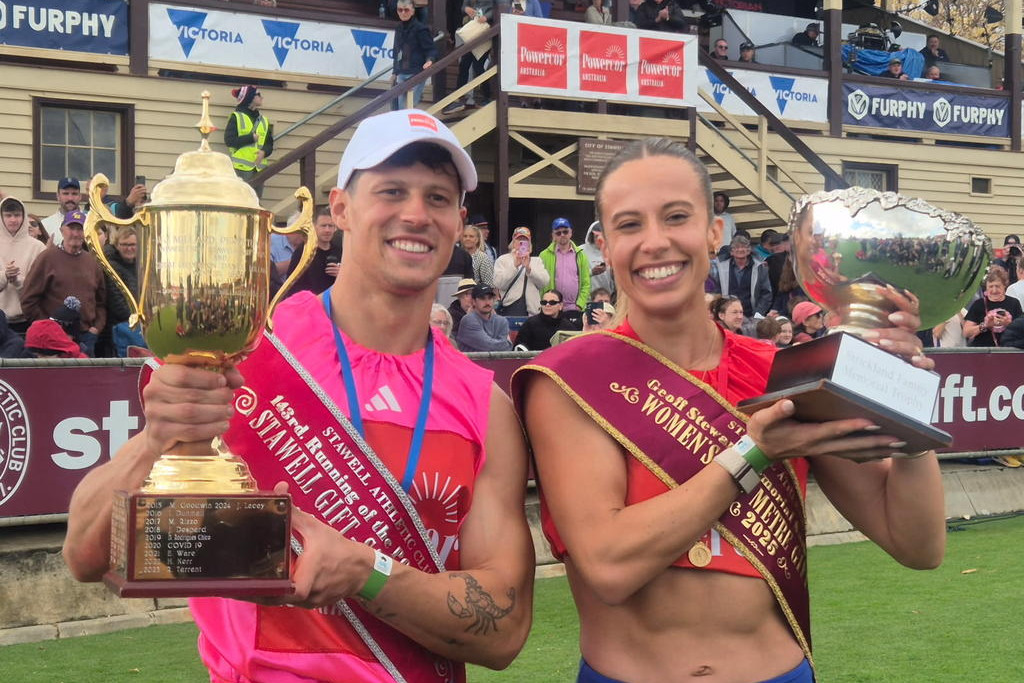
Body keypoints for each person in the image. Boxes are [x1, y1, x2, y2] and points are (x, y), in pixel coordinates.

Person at [62, 108, 534, 682]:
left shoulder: (483, 405)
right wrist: (157, 438)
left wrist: (368, 572)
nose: (415, 214)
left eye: (438, 198)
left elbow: (505, 631)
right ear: (340, 209)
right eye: (391, 190)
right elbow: (86, 556)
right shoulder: (247, 351)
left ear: (459, 222)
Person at [514, 137, 944, 683]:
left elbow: (917, 544)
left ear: (716, 232)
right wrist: (755, 452)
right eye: (628, 225)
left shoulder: (783, 371)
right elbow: (609, 566)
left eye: (676, 217)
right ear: (605, 244)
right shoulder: (574, 378)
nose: (655, 241)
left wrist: (903, 407)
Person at [20, 210, 107, 357]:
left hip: (86, 337)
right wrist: (46, 327)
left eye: (80, 229)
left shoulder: (92, 261)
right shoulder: (47, 258)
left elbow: (101, 301)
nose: (75, 233)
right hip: (54, 340)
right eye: (71, 228)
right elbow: (28, 299)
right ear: (62, 230)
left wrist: (96, 327)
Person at [0, 196, 47, 335]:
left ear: (24, 216)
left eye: (17, 215)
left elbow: (41, 285)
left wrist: (17, 280)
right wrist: (5, 276)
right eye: (8, 215)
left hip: (27, 320)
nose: (13, 220)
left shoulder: (38, 247)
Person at [441, 0, 493, 115]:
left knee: (478, 66)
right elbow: (463, 6)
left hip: (486, 30)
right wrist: (466, 9)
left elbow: (501, 7)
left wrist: (487, 17)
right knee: (464, 64)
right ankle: (459, 97)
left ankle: (487, 97)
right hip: (471, 30)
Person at [709, 235, 773, 331]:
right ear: (731, 251)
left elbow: (766, 293)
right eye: (736, 247)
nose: (740, 249)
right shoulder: (721, 267)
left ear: (749, 250)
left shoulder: (760, 267)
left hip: (752, 316)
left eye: (744, 246)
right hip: (726, 317)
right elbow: (716, 290)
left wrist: (757, 314)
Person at [102, 227, 147, 357]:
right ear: (117, 245)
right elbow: (117, 304)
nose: (129, 248)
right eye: (124, 244)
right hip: (119, 329)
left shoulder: (140, 265)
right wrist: (140, 318)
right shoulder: (110, 266)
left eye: (132, 244)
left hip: (139, 326)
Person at [224, 85, 274, 195]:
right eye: (258, 94)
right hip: (241, 169)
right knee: (241, 200)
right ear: (250, 97)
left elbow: (269, 144)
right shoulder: (236, 117)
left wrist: (264, 152)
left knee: (256, 203)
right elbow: (229, 140)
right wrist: (250, 138)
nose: (262, 97)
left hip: (259, 169)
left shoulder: (264, 120)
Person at [286, 206, 343, 296]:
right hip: (310, 304)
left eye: (331, 226)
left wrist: (342, 274)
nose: (327, 230)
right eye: (323, 226)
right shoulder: (303, 252)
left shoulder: (340, 251)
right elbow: (292, 286)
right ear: (314, 227)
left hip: (334, 304)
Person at [493, 227, 549, 316]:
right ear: (513, 241)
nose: (521, 243)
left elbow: (544, 283)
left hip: (533, 311)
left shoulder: (536, 261)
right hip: (510, 308)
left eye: (525, 240)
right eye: (519, 239)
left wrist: (529, 269)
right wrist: (514, 266)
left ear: (529, 243)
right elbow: (499, 283)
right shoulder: (502, 260)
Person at [392, 0, 438, 109]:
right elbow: (396, 51)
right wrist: (395, 71)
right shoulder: (398, 28)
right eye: (400, 10)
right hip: (402, 73)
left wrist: (430, 60)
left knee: (408, 107)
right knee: (399, 108)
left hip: (416, 73)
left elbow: (431, 49)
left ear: (412, 11)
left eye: (406, 10)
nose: (403, 13)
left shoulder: (421, 29)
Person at [541, 218, 590, 313]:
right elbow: (540, 283)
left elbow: (586, 283)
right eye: (558, 233)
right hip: (552, 307)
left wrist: (580, 305)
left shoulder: (581, 255)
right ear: (553, 235)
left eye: (565, 232)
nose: (562, 235)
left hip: (574, 307)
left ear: (571, 232)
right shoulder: (544, 255)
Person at [963, 269, 1022, 347]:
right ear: (986, 287)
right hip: (983, 352)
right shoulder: (979, 304)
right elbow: (966, 332)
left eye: (997, 286)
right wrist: (985, 325)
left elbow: (1022, 330)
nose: (994, 290)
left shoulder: (1014, 303)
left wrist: (1009, 324)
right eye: (991, 286)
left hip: (1008, 352)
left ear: (1004, 285)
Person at [456, 284, 513, 352]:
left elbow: (506, 349)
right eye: (482, 298)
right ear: (473, 302)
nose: (487, 302)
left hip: (497, 362)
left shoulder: (502, 321)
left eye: (490, 298)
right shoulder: (468, 320)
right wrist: (507, 344)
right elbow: (488, 346)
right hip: (470, 362)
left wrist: (507, 345)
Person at [42, 177, 82, 246]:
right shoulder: (45, 225)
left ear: (80, 196)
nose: (70, 198)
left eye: (74, 194)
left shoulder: (90, 222)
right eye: (66, 193)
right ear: (58, 196)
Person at [583, 221, 615, 300]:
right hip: (586, 299)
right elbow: (572, 276)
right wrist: (592, 272)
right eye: (596, 236)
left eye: (602, 236)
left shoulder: (612, 252)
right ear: (591, 235)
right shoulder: (580, 251)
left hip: (607, 298)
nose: (599, 239)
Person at [460, 221, 494, 287]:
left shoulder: (482, 258)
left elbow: (489, 284)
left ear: (477, 239)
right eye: (465, 236)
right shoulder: (457, 256)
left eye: (471, 236)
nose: (468, 239)